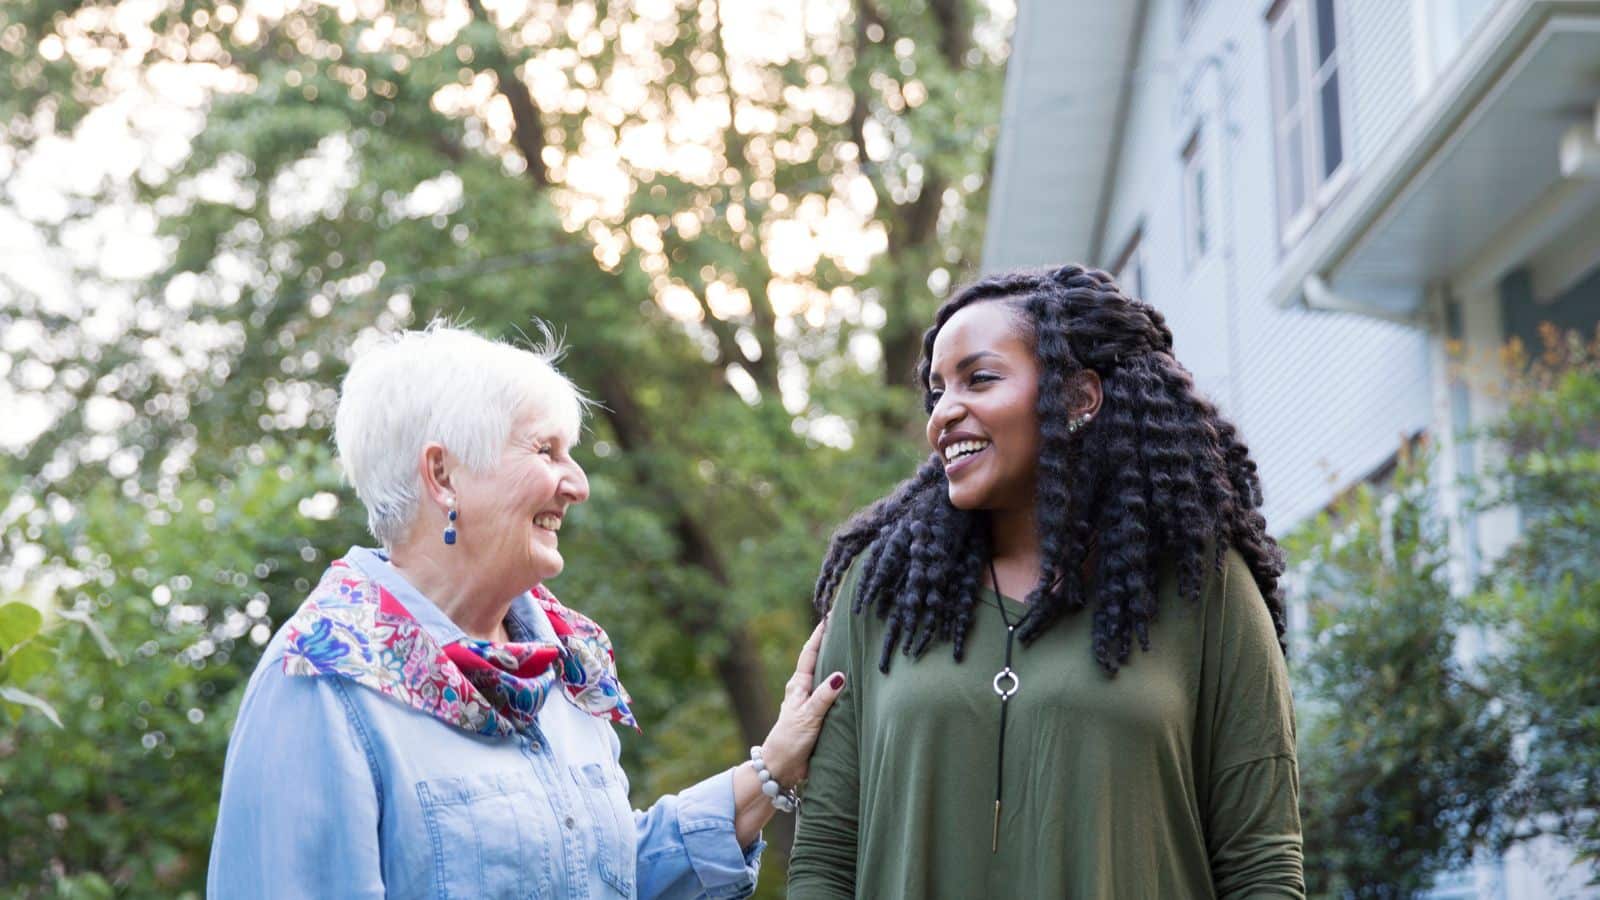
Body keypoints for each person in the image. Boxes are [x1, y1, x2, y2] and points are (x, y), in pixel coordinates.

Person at [208, 323, 844, 899]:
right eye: (546, 451)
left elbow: (605, 879)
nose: (579, 483)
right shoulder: (321, 685)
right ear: (443, 475)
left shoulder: (567, 672)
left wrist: (772, 768)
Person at [788, 265, 1303, 898]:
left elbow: (1263, 863)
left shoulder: (1206, 588)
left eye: (979, 379)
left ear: (1078, 397)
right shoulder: (881, 590)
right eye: (937, 390)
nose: (944, 413)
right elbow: (825, 857)